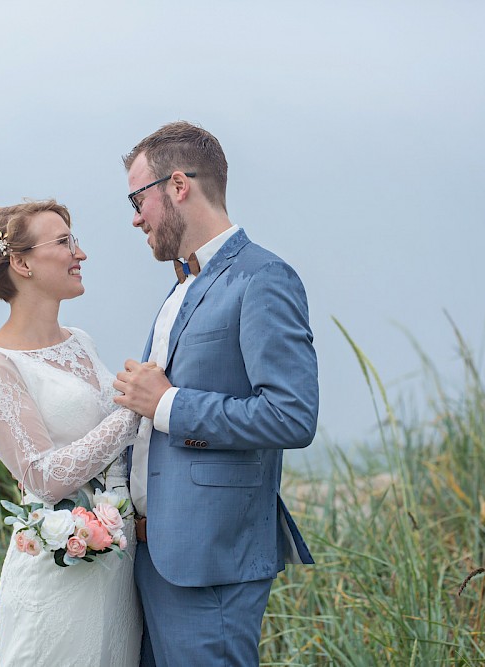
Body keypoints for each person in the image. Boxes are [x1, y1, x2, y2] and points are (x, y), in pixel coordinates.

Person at [113, 122, 319, 666]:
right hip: (150, 556)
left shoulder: (264, 278)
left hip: (211, 562)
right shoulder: (179, 288)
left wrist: (167, 404)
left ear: (178, 185)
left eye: (138, 198)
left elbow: (291, 416)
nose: (135, 216)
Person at [0, 200, 143, 666]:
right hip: (58, 573)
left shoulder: (82, 340)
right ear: (21, 263)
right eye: (63, 242)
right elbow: (40, 477)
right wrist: (134, 412)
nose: (80, 253)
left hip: (118, 564)